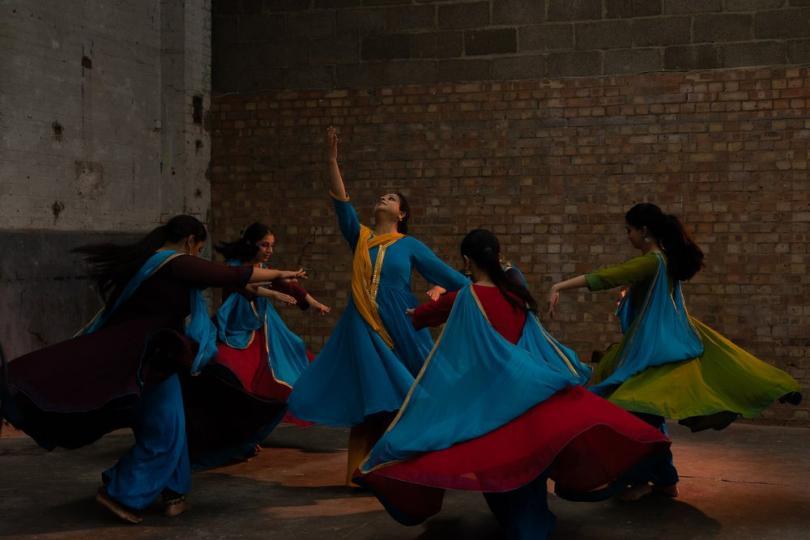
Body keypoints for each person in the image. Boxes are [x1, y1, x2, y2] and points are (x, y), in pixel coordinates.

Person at [355, 229, 671, 539]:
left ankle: (524, 523)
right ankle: (530, 521)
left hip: (488, 397)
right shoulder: (515, 292)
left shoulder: (466, 296)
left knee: (467, 451)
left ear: (467, 260)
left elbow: (427, 319)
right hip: (528, 388)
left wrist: (413, 312)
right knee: (527, 458)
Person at [1, 215, 306, 523]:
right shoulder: (173, 262)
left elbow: (234, 282)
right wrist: (283, 272)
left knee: (171, 424)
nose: (198, 255)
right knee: (165, 431)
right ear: (189, 242)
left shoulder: (153, 263)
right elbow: (229, 274)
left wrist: (277, 288)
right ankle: (124, 492)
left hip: (150, 359)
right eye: (199, 249)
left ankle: (174, 490)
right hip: (151, 359)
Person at [548, 203, 802, 500]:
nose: (627, 236)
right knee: (651, 411)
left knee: (635, 409)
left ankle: (637, 475)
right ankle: (664, 479)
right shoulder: (664, 261)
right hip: (664, 344)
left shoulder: (652, 262)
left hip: (656, 350)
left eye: (629, 230)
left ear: (644, 231)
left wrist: (560, 285)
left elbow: (609, 275)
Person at [288, 127, 469, 485]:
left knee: (416, 391)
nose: (384, 199)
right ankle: (362, 472)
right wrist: (331, 160)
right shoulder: (361, 238)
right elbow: (341, 204)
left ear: (402, 213)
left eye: (391, 198)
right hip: (362, 322)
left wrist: (438, 291)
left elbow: (457, 281)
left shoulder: (410, 245)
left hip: (402, 321)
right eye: (382, 195)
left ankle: (417, 465)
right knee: (372, 395)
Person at [185, 222, 330, 468]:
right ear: (251, 243)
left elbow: (290, 285)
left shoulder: (262, 268)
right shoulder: (233, 269)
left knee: (285, 375)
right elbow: (246, 286)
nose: (269, 250)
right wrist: (271, 294)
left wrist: (314, 303)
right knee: (235, 382)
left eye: (272, 245)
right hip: (234, 333)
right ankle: (231, 437)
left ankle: (249, 436)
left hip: (262, 332)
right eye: (265, 245)